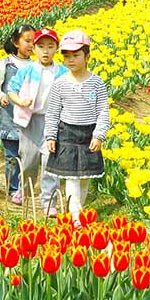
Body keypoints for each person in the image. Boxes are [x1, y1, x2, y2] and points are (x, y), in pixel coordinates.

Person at [44, 30, 110, 224]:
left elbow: (103, 111)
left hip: (88, 134)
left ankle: (79, 206)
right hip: (67, 135)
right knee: (71, 178)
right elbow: (53, 112)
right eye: (66, 56)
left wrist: (99, 135)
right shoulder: (60, 84)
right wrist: (50, 136)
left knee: (85, 177)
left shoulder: (96, 83)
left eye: (76, 56)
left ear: (87, 57)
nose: (70, 60)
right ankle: (76, 217)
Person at [9, 28, 67, 216]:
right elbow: (12, 89)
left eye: (50, 46)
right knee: (29, 160)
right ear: (33, 49)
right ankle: (23, 190)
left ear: (56, 49)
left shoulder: (63, 72)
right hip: (30, 121)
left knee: (50, 162)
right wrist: (20, 101)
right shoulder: (27, 70)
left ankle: (49, 201)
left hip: (54, 122)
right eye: (41, 46)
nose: (45, 51)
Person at [0, 25, 35, 204]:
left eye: (33, 41)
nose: (31, 45)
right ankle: (13, 189)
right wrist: (0, 95)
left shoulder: (37, 66)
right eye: (27, 41)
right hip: (9, 115)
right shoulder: (5, 64)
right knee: (11, 155)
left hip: (30, 118)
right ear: (16, 42)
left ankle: (24, 187)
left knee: (28, 154)